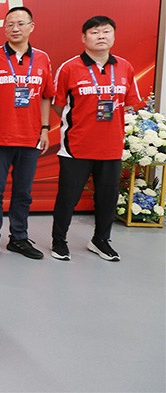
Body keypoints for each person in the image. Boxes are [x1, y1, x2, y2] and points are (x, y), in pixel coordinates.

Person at [50, 16, 141, 262]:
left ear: (114, 36)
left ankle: (101, 240)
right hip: (76, 147)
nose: (101, 36)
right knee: (67, 197)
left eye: (106, 31)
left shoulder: (125, 67)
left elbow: (130, 104)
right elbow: (59, 105)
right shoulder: (69, 68)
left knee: (107, 198)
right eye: (94, 32)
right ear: (83, 38)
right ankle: (59, 241)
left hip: (111, 148)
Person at [0, 7, 55, 261]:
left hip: (30, 137)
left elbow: (46, 96)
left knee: (23, 193)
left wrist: (45, 128)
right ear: (4, 28)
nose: (15, 28)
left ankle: (19, 238)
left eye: (20, 23)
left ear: (32, 26)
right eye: (10, 24)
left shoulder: (42, 58)